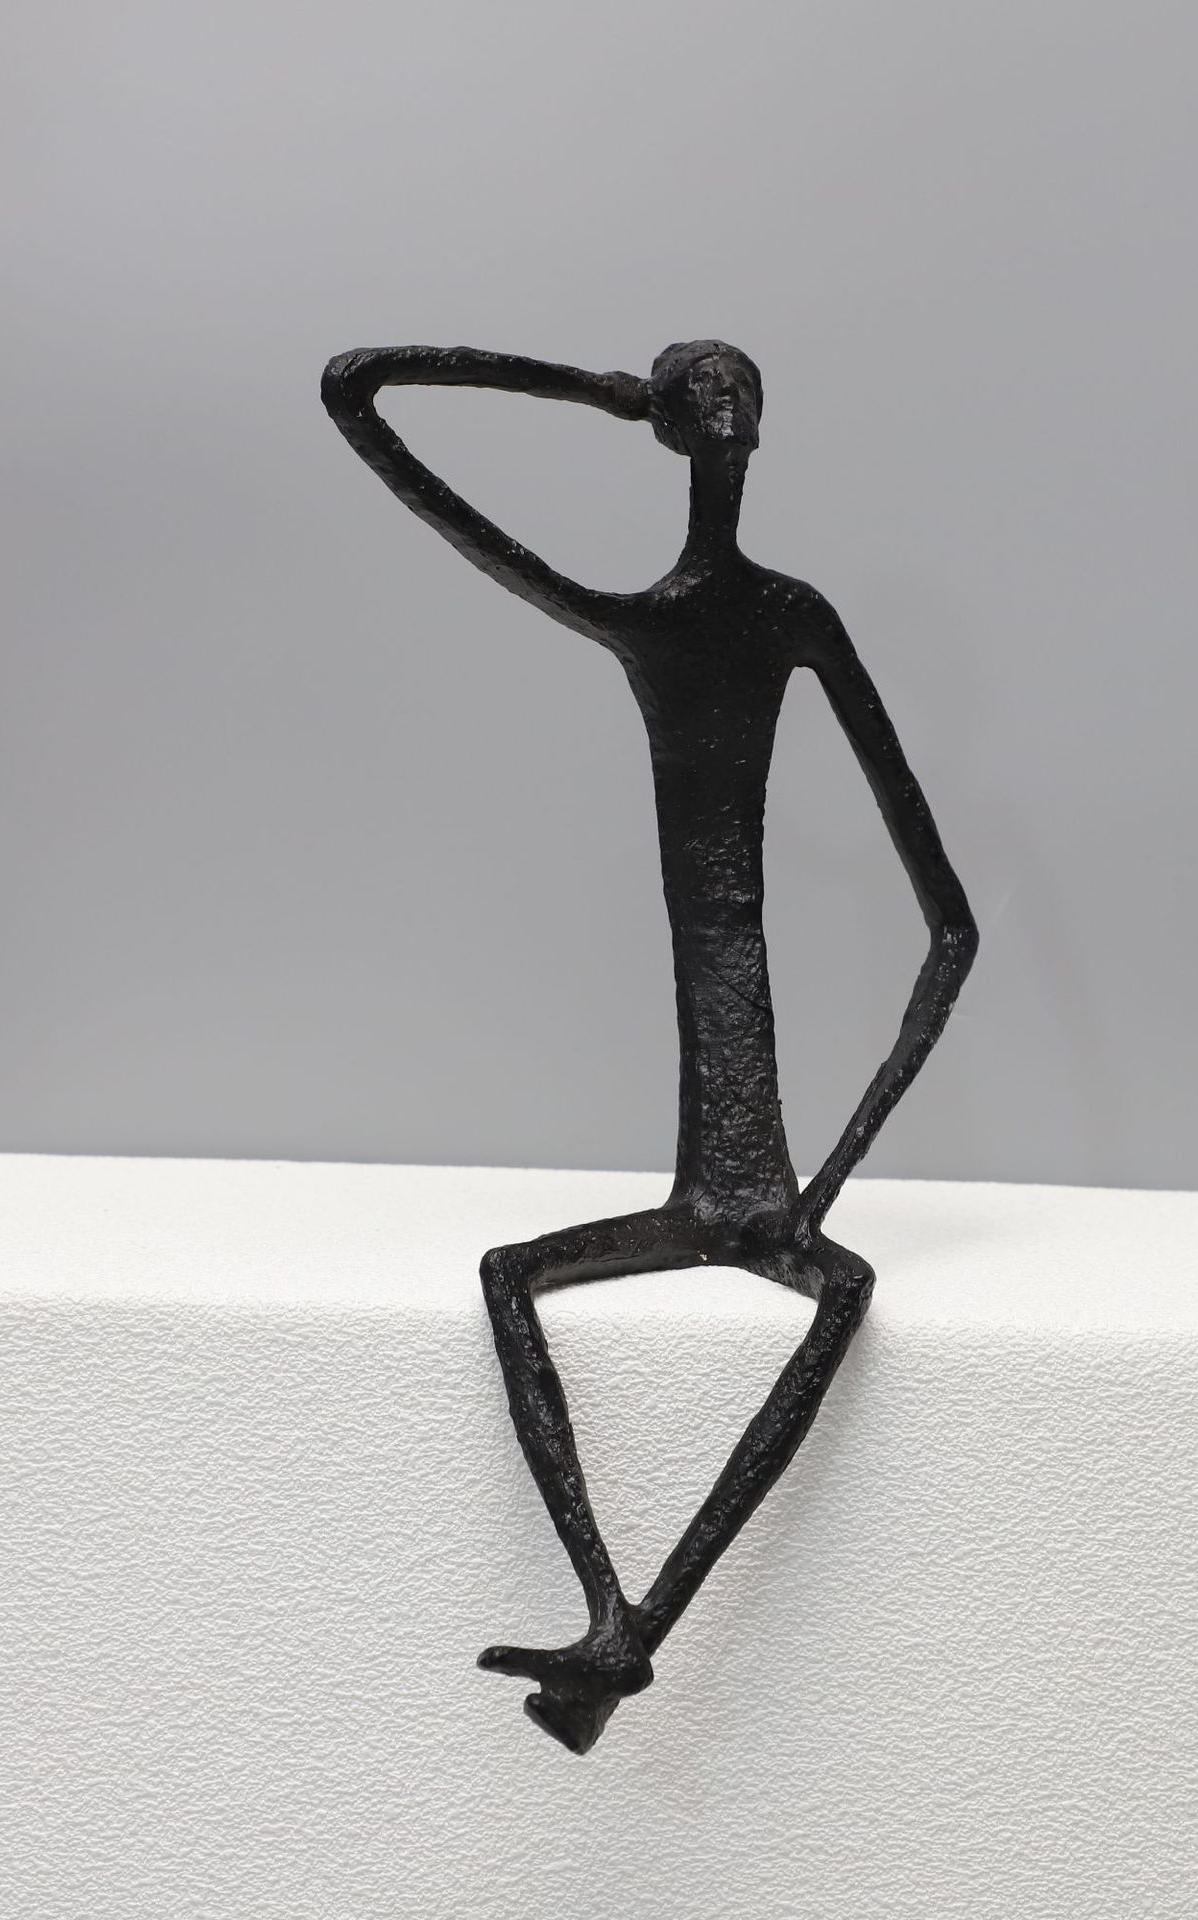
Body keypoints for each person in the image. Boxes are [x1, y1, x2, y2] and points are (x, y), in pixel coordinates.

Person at [321, 339, 977, 1752]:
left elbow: (952, 933)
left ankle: (630, 1630)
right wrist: (612, 394)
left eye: (743, 392)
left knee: (822, 1293)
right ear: (678, 431)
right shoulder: (643, 623)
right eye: (703, 394)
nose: (731, 412)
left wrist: (827, 1184)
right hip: (732, 1181)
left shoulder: (784, 617)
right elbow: (356, 390)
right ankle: (618, 1619)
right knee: (518, 1278)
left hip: (762, 1184)